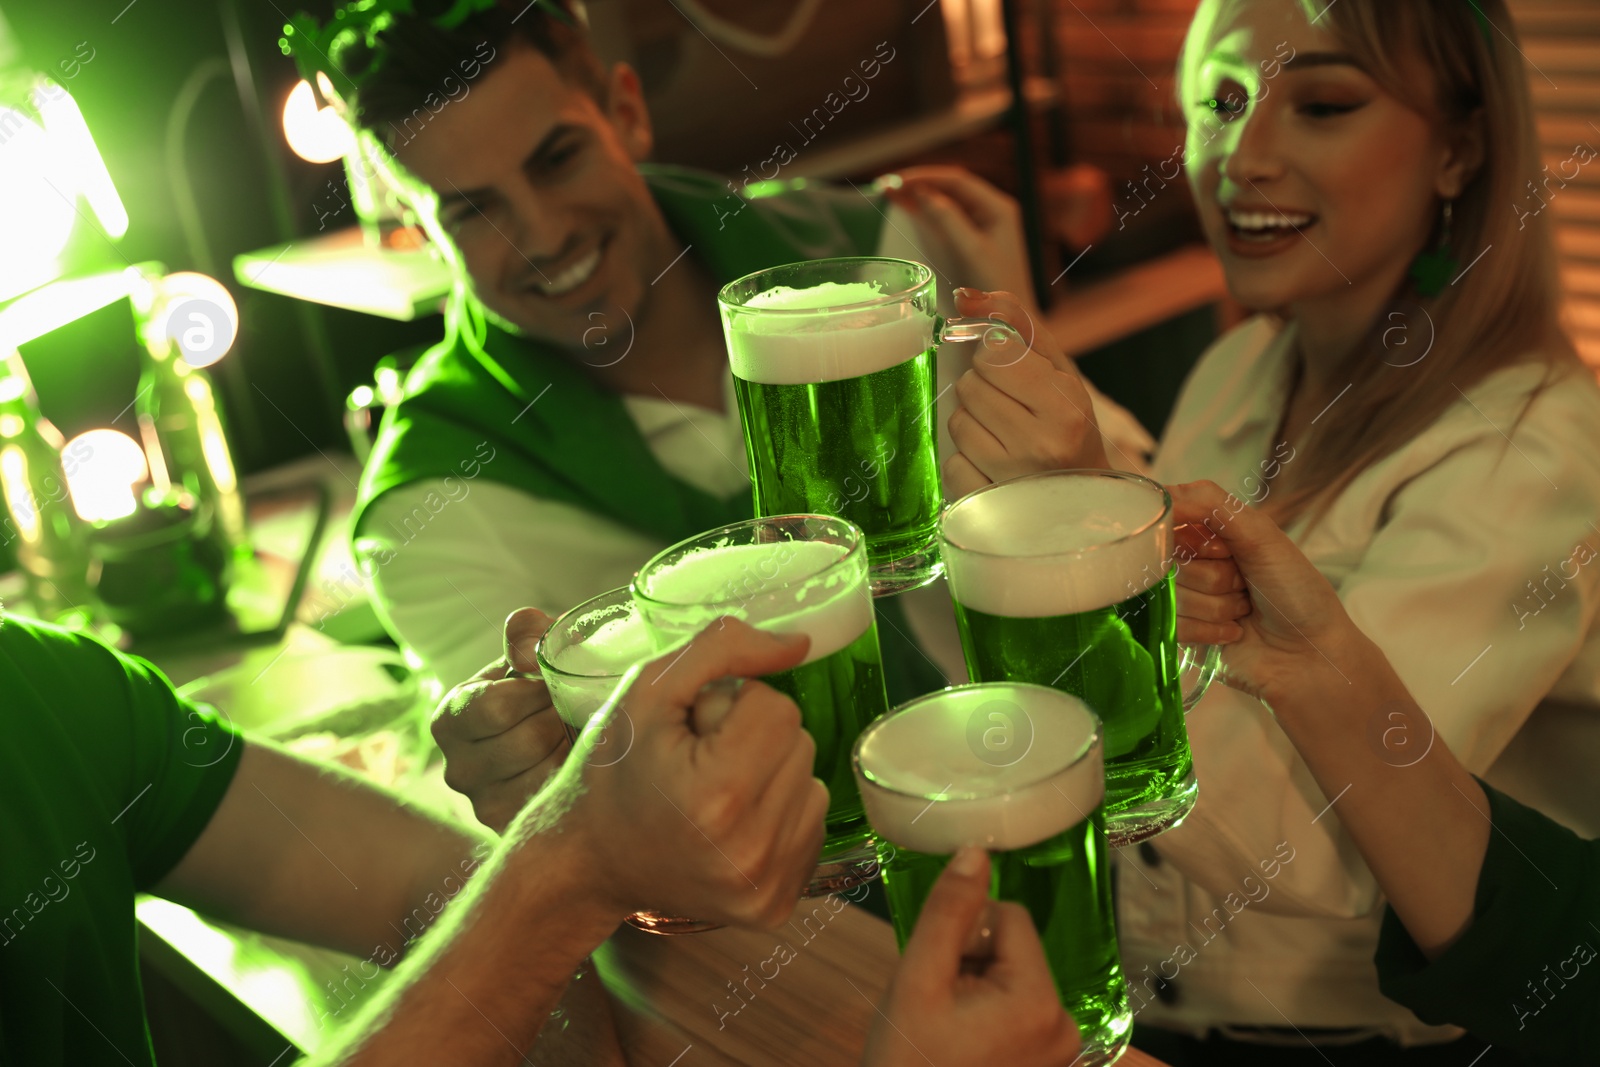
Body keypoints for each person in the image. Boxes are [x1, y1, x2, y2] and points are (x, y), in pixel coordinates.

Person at [941, 0, 1600, 1061]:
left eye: (1323, 104)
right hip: (1148, 1007)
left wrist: (1069, 515)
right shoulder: (1243, 365)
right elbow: (1175, 608)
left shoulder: (1534, 449)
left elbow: (1322, 849)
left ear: (1459, 149)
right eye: (1222, 102)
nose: (1241, 156)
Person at [287, 0, 1148, 696]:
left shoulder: (888, 253)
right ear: (418, 230)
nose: (542, 237)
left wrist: (1047, 355)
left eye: (557, 160)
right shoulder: (430, 511)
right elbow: (577, 819)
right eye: (474, 210)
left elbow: (1138, 533)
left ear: (626, 113)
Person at [0, 607, 827, 1066]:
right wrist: (566, 865)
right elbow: (518, 896)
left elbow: (431, 891)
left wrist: (560, 861)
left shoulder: (36, 688)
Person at [1169, 478, 1600, 1062]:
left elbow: (1310, 853)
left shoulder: (1534, 455)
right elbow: (1567, 939)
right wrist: (1309, 668)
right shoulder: (1244, 383)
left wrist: (1083, 538)